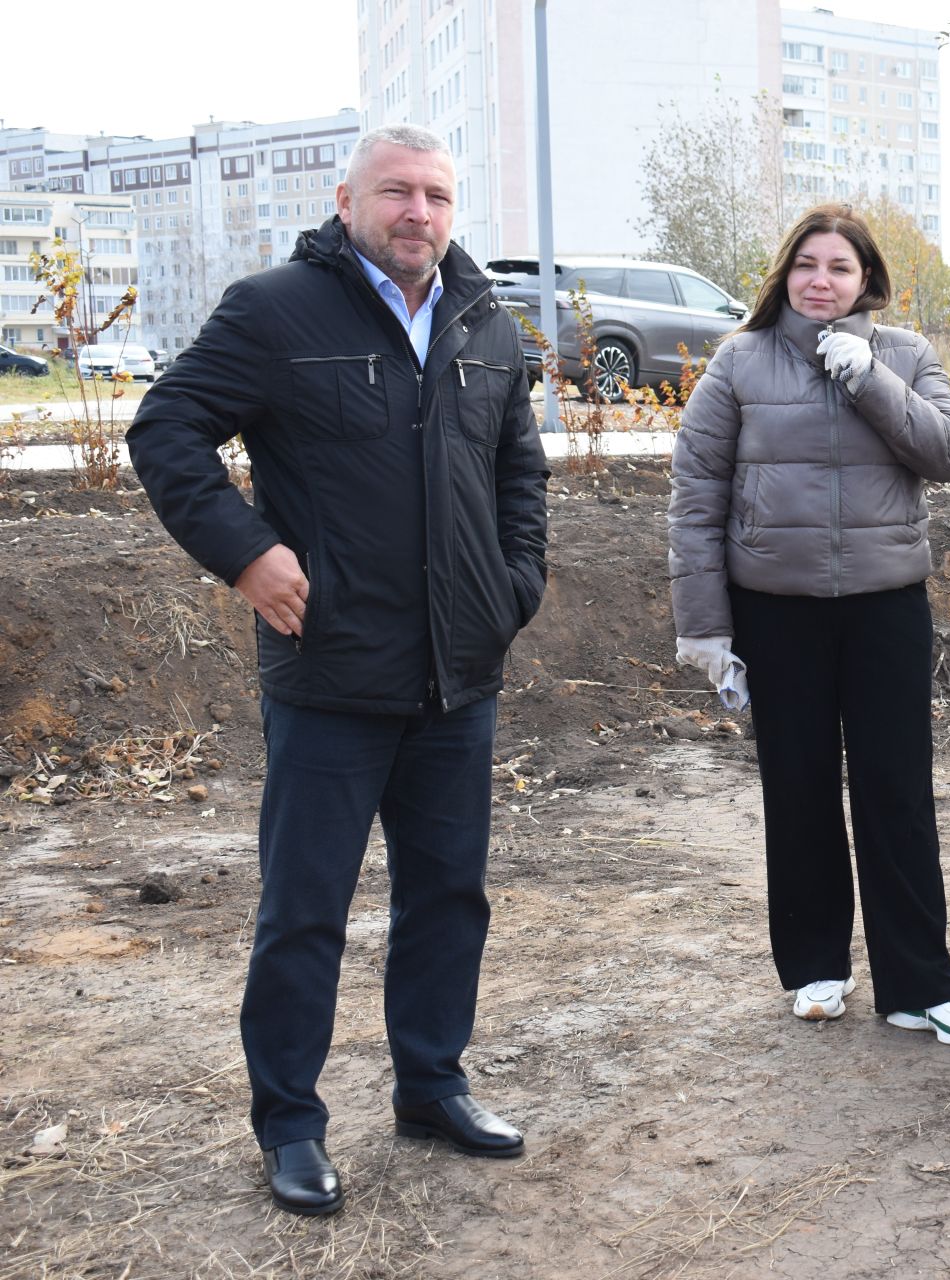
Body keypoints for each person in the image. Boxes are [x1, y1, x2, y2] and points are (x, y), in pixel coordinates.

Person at [126, 124, 549, 1215]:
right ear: (347, 197)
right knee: (305, 909)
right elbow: (167, 426)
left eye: (439, 194)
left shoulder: (486, 321)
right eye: (397, 191)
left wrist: (515, 588)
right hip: (330, 674)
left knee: (450, 897)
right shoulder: (275, 312)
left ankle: (431, 1081)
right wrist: (249, 552)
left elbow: (518, 472)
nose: (419, 212)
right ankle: (291, 1124)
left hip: (460, 672)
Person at [668, 203, 950, 1046]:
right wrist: (705, 626)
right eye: (808, 264)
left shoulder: (906, 355)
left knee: (896, 791)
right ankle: (815, 968)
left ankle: (919, 984)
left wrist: (869, 378)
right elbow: (695, 496)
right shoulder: (739, 362)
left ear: (867, 281)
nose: (821, 281)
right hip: (777, 612)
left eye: (840, 268)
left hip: (887, 608)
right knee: (800, 788)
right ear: (785, 273)